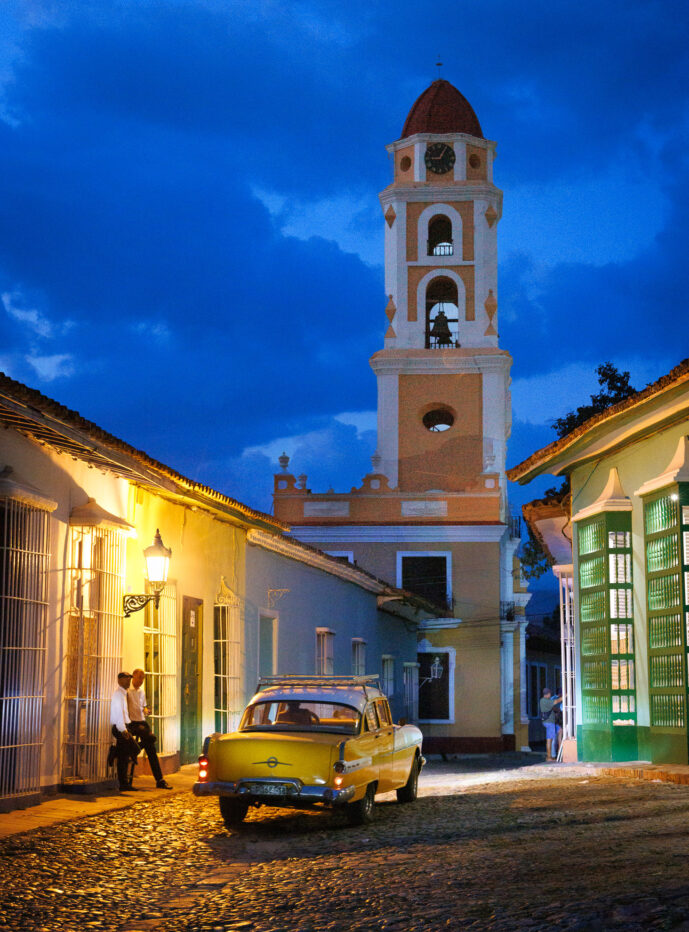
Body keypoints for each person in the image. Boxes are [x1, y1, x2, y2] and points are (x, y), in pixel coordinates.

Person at [127, 668, 172, 789]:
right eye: (139, 677)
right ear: (133, 676)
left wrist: (146, 710)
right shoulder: (127, 691)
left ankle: (159, 779)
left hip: (142, 721)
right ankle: (159, 780)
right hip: (132, 723)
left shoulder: (142, 692)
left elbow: (143, 707)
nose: (141, 681)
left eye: (143, 678)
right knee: (151, 739)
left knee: (151, 749)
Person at [109, 671, 141, 791]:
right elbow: (118, 713)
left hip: (124, 726)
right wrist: (123, 729)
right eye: (126, 678)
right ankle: (114, 753)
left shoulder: (123, 693)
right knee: (135, 749)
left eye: (129, 678)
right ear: (120, 680)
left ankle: (124, 784)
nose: (128, 681)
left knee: (124, 757)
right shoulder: (118, 694)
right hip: (119, 727)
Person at [540, 687, 563, 762]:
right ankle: (549, 757)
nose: (550, 695)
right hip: (549, 722)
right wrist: (565, 696)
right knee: (549, 740)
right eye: (550, 693)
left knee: (560, 730)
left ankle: (559, 754)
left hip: (551, 722)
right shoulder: (545, 701)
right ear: (547, 694)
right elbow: (557, 701)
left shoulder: (546, 700)